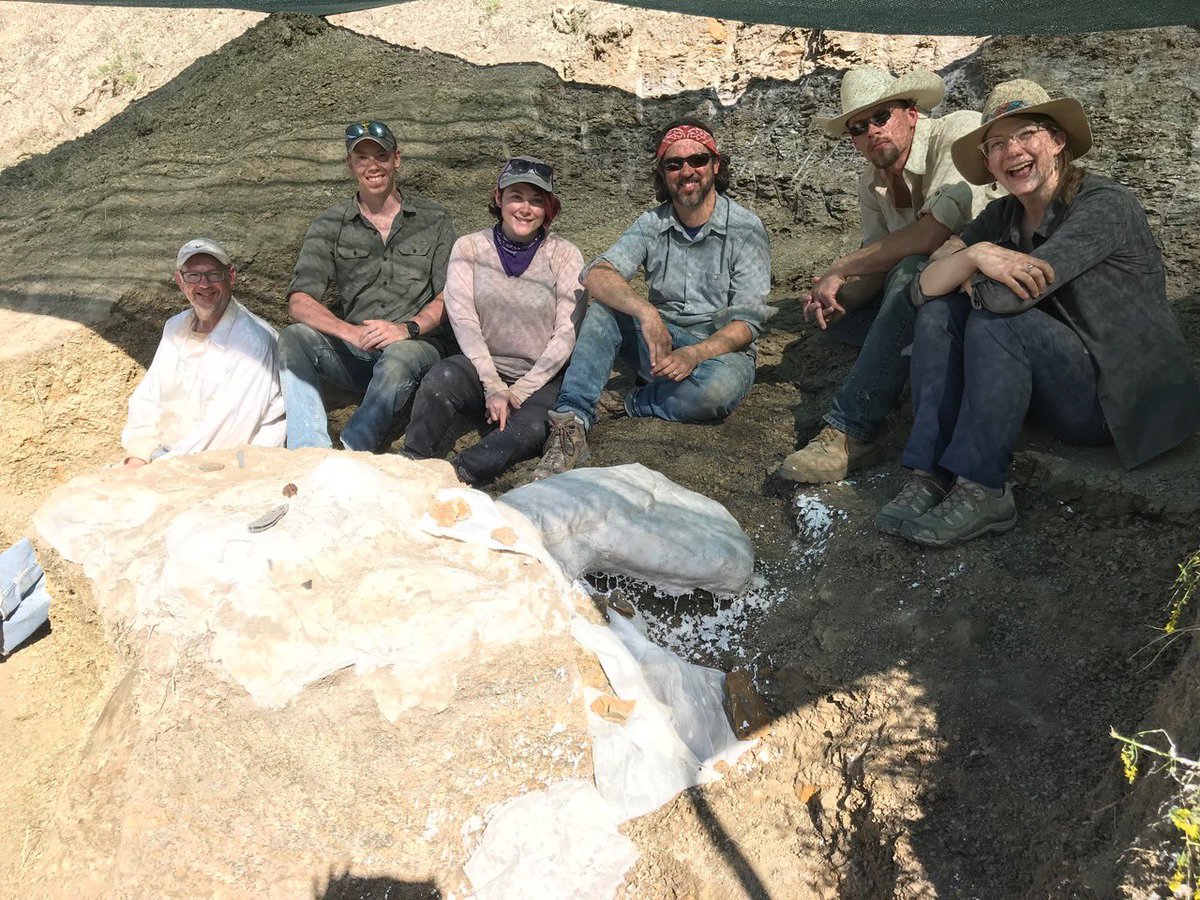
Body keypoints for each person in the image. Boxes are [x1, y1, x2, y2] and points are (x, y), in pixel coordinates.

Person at [876, 79, 1200, 545]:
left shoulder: (1104, 206)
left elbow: (1007, 299)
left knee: (995, 323)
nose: (1013, 151)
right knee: (938, 316)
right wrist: (975, 255)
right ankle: (929, 474)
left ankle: (983, 487)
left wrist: (963, 265)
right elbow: (921, 290)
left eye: (1026, 134)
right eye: (997, 144)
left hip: (1118, 399)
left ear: (1057, 141)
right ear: (988, 163)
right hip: (1055, 381)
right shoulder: (1003, 215)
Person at [777, 67, 998, 484]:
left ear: (912, 113)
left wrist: (841, 267)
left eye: (882, 116)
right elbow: (878, 264)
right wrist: (839, 298)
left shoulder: (957, 132)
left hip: (988, 297)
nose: (872, 131)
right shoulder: (871, 183)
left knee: (910, 271)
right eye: (858, 127)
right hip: (931, 304)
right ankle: (903, 357)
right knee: (837, 320)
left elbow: (932, 235)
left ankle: (851, 430)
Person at [533, 118, 773, 479]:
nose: (687, 171)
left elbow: (747, 323)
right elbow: (597, 274)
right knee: (605, 311)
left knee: (715, 392)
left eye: (698, 160)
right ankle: (572, 422)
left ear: (715, 166)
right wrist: (646, 312)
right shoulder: (651, 224)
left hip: (720, 354)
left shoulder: (745, 228)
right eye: (674, 164)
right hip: (661, 342)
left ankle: (629, 401)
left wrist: (695, 354)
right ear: (662, 174)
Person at [401, 157, 584, 483]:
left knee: (531, 429)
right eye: (516, 197)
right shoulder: (469, 248)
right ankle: (410, 463)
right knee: (440, 378)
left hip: (540, 379)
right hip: (480, 368)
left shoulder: (564, 254)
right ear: (498, 198)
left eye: (536, 200)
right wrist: (493, 385)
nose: (525, 208)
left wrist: (518, 392)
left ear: (548, 208)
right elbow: (464, 320)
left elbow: (566, 333)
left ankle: (455, 475)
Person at [279, 120, 455, 452]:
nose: (372, 166)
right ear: (350, 164)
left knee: (399, 355)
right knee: (292, 338)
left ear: (396, 159)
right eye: (362, 158)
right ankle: (308, 447)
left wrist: (406, 328)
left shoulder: (434, 220)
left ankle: (355, 448)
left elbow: (451, 295)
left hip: (416, 348)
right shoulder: (330, 224)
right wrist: (350, 332)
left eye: (381, 156)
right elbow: (299, 301)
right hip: (359, 351)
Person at [121, 238, 285, 466]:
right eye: (193, 276)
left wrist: (158, 468)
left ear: (231, 277)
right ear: (180, 280)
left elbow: (227, 432)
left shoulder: (254, 341)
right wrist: (138, 454)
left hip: (234, 465)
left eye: (214, 274)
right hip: (168, 456)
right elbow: (147, 399)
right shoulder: (175, 328)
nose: (204, 284)